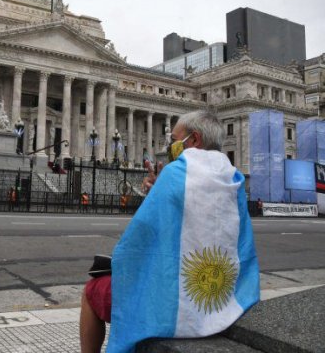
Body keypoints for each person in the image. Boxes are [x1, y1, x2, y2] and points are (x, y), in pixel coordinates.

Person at [80, 110, 260, 353]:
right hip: (224, 295)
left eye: (175, 140)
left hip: (173, 303)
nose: (171, 146)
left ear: (194, 140)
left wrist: (121, 264)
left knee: (92, 291)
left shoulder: (176, 174)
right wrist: (158, 189)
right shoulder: (234, 178)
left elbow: (138, 241)